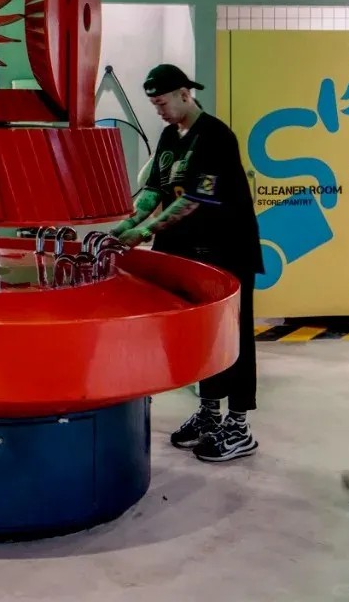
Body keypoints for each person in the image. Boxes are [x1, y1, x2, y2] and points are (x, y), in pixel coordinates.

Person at [114, 64, 263, 463]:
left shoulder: (215, 136)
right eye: (154, 105)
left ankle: (239, 425)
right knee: (203, 337)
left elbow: (196, 197)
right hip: (186, 252)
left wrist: (143, 233)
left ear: (184, 94)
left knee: (233, 336)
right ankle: (209, 414)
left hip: (225, 252)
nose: (159, 111)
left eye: (162, 103)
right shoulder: (169, 136)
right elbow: (153, 191)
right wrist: (124, 226)